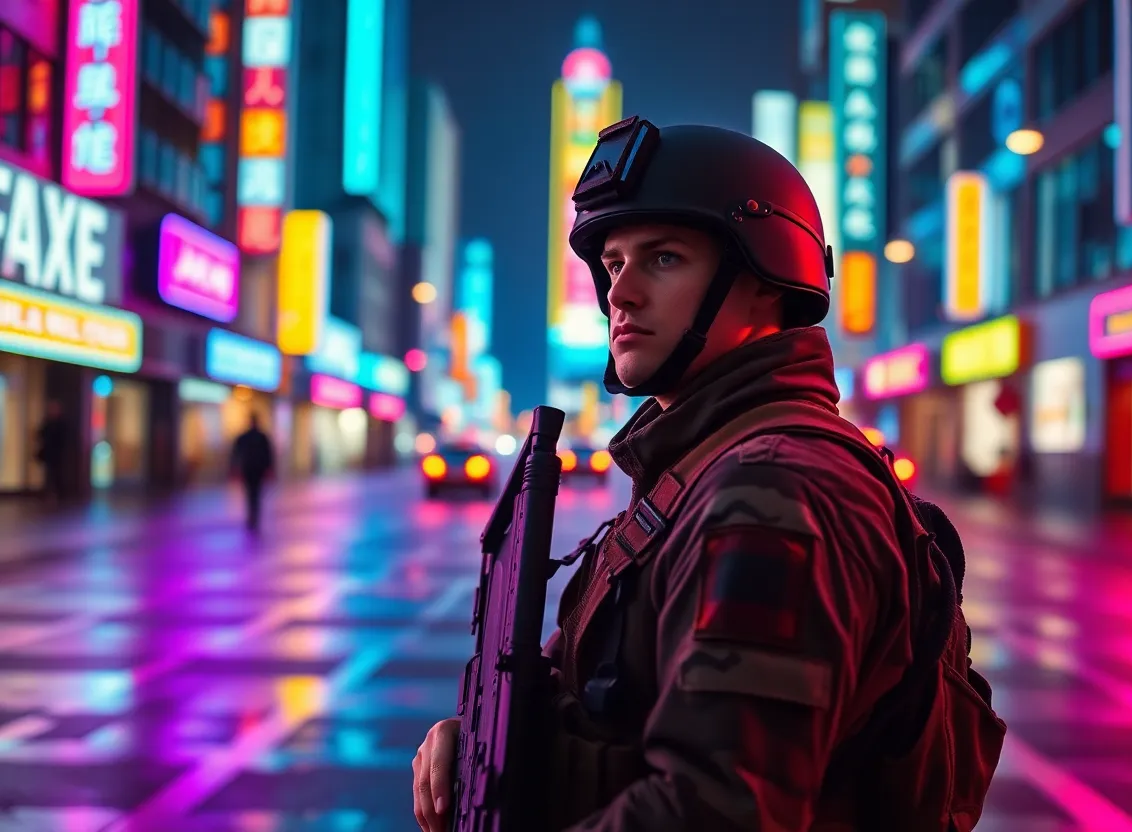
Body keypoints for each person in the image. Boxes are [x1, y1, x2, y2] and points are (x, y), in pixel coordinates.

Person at [414, 118, 1004, 831]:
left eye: (662, 259)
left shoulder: (776, 489)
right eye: (612, 265)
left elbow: (717, 810)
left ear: (765, 278)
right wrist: (484, 745)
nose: (619, 295)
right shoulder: (698, 469)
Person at [231, 413, 274, 531]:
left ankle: (252, 514)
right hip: (256, 469)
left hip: (249, 468)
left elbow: (236, 453)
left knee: (251, 492)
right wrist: (269, 468)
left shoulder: (245, 437)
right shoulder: (262, 437)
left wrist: (234, 467)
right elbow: (268, 455)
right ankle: (254, 514)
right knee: (256, 492)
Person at [35, 400, 68, 504]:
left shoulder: (60, 423)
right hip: (49, 452)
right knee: (49, 473)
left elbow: (63, 438)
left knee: (56, 473)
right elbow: (41, 433)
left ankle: (58, 493)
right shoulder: (48, 422)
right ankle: (49, 493)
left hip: (57, 453)